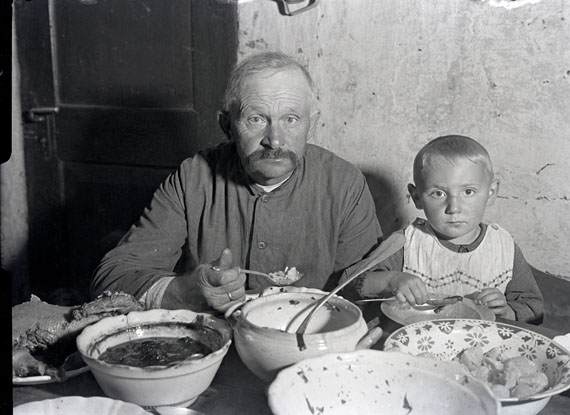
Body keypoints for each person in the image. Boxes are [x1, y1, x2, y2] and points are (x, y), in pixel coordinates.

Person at [91, 51, 382, 313]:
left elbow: (368, 288)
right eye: (256, 119)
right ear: (227, 126)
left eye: (291, 120)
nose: (275, 140)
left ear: (312, 123)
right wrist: (186, 292)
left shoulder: (343, 183)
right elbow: (114, 276)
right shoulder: (193, 177)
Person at [341, 135, 543, 323]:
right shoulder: (406, 243)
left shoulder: (503, 248)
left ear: (491, 192)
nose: (454, 208)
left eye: (468, 191)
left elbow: (533, 309)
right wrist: (391, 279)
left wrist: (506, 311)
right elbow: (349, 285)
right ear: (417, 197)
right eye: (438, 193)